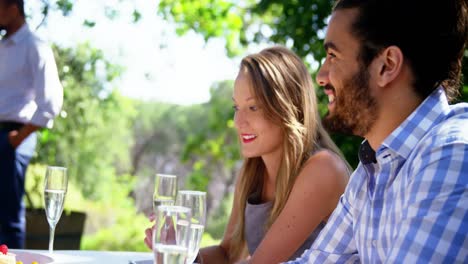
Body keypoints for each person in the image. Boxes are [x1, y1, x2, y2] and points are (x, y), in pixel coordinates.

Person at [287, 0, 468, 263]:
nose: (321, 75)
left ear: (387, 65)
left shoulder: (452, 155)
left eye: (333, 56)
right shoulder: (372, 171)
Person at [144, 46, 350, 263]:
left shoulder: (322, 170)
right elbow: (228, 254)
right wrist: (181, 251)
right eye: (236, 107)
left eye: (253, 108)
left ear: (288, 109)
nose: (238, 122)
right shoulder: (253, 173)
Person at [0, 0, 63, 248]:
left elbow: (51, 101)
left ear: (12, 8)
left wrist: (17, 138)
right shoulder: (3, 47)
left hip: (14, 137)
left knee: (9, 218)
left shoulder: (34, 47)